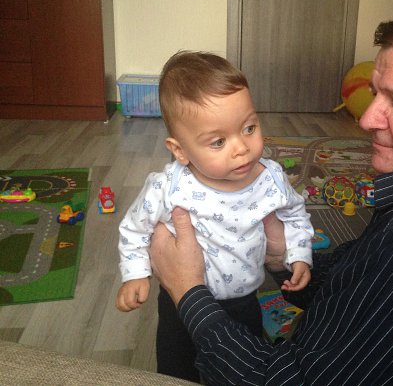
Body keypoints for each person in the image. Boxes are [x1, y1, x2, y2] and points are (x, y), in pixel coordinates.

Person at [149, 5, 393, 385]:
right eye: (375, 94)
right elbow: (359, 278)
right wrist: (282, 259)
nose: (367, 119)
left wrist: (188, 290)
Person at [116, 51, 313, 382]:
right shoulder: (169, 187)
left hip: (245, 300)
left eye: (249, 128)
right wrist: (136, 274)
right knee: (176, 371)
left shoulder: (270, 179)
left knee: (243, 367)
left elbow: (295, 214)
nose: (241, 147)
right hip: (180, 304)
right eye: (219, 141)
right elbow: (135, 229)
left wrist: (299, 254)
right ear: (180, 150)